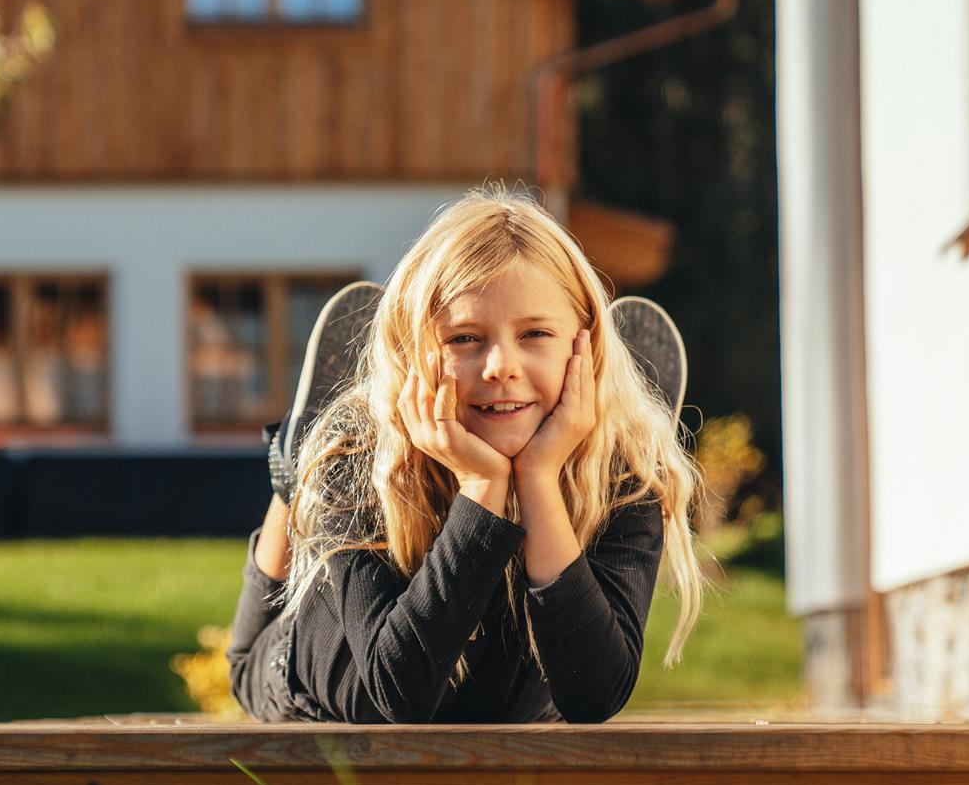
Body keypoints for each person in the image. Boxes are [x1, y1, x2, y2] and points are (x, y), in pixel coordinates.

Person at [226, 189, 705, 724]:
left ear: (586, 348)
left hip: (505, 697)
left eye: (535, 333)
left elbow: (594, 697)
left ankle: (303, 462)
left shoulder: (625, 472)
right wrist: (481, 486)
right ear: (413, 354)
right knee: (247, 660)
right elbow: (398, 693)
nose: (501, 366)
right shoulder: (359, 455)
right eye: (464, 339)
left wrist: (538, 479)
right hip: (331, 685)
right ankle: (294, 468)